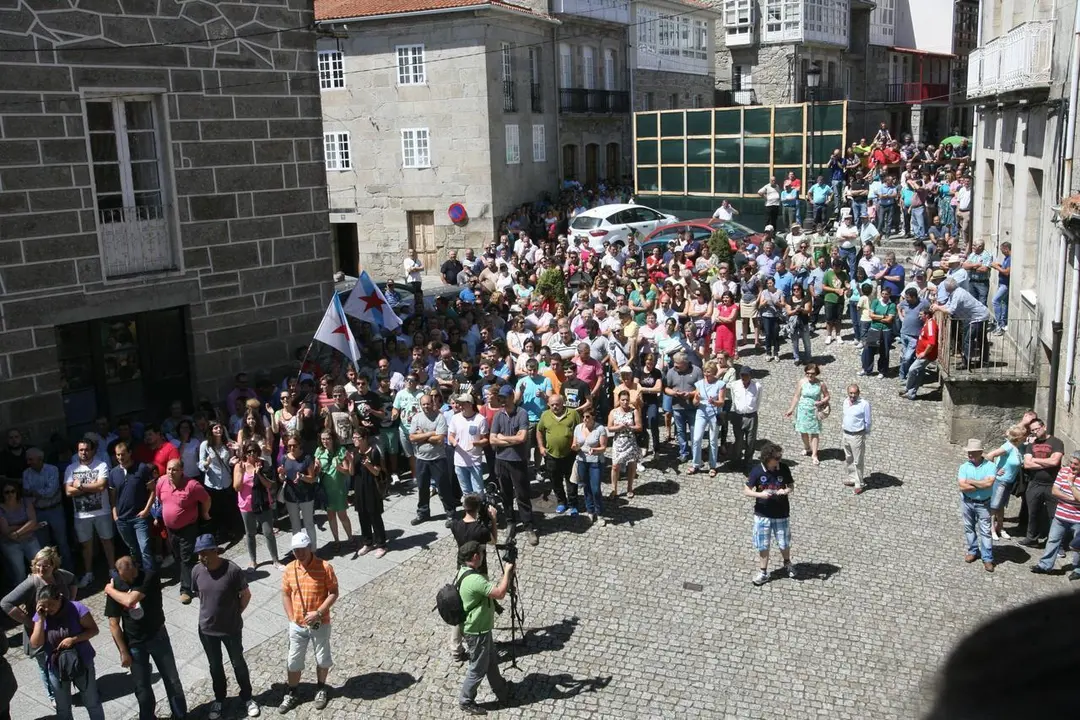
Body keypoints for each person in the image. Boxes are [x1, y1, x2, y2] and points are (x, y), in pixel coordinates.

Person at [103, 556, 187, 720]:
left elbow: (130, 600)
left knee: (172, 680)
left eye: (131, 575)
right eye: (125, 578)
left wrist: (110, 590)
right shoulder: (118, 582)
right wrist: (123, 651)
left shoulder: (149, 576)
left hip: (157, 635)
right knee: (142, 687)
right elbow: (113, 623)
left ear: (136, 567)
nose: (129, 580)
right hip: (134, 643)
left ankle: (180, 715)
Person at [191, 536, 260, 718]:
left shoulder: (233, 570)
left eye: (204, 553)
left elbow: (245, 595)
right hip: (206, 629)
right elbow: (200, 595)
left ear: (215, 551)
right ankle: (219, 699)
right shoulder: (197, 571)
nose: (200, 557)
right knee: (215, 666)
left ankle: (247, 697)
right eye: (199, 554)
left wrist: (236, 613)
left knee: (238, 663)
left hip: (231, 629)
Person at [1, 546, 76, 707]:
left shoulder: (60, 576)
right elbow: (5, 603)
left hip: (59, 630)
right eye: (37, 565)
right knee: (45, 665)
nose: (41, 569)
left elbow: (73, 580)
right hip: (40, 634)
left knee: (61, 660)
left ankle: (63, 688)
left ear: (53, 565)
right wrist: (30, 622)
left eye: (45, 565)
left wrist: (72, 604)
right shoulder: (32, 583)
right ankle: (53, 695)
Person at [279, 530, 338, 714]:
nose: (299, 553)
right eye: (296, 550)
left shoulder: (325, 567)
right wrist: (291, 617)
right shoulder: (289, 569)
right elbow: (285, 593)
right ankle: (292, 692)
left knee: (322, 657)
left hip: (320, 622)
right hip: (297, 624)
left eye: (302, 549)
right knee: (293, 660)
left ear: (310, 548)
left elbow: (334, 592)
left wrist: (319, 612)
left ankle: (321, 688)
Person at [455, 540, 514, 715]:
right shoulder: (474, 579)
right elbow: (500, 593)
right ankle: (466, 700)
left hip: (480, 628)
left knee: (491, 661)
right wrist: (507, 572)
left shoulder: (464, 572)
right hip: (477, 631)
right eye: (481, 554)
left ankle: (501, 690)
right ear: (475, 556)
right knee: (478, 668)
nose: (482, 557)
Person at [30, 584, 104, 720]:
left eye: (51, 604)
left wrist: (74, 639)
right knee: (62, 707)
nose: (48, 609)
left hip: (82, 661)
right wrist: (40, 619)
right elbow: (35, 643)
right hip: (56, 666)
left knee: (91, 701)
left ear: (60, 598)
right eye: (44, 605)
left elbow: (93, 630)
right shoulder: (41, 615)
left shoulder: (76, 608)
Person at [448, 495, 498, 662]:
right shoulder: (480, 529)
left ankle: (456, 648)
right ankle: (481, 638)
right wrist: (493, 519)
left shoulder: (455, 526)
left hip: (461, 570)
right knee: (478, 606)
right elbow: (494, 541)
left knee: (460, 607)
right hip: (478, 571)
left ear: (464, 507)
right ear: (478, 509)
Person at [156, 458, 210, 604]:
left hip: (188, 527)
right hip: (170, 529)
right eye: (168, 469)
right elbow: (160, 500)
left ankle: (185, 590)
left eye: (174, 469)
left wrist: (204, 513)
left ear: (181, 471)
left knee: (185, 557)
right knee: (179, 557)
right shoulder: (161, 482)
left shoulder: (192, 485)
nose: (170, 472)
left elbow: (206, 499)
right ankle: (196, 576)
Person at [65, 437, 115, 588]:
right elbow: (68, 491)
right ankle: (88, 573)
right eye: (81, 450)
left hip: (102, 511)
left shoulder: (101, 465)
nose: (84, 453)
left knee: (107, 541)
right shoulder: (71, 469)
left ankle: (112, 570)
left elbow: (101, 486)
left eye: (87, 449)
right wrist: (87, 487)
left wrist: (79, 486)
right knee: (86, 545)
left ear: (93, 450)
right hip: (81, 514)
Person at [490, 387, 537, 546]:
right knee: (506, 494)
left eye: (504, 397)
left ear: (511, 396)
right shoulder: (498, 415)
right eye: (500, 398)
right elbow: (492, 440)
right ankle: (511, 523)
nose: (502, 400)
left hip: (518, 461)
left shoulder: (522, 413)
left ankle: (528, 526)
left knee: (522, 494)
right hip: (501, 460)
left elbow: (522, 438)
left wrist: (503, 438)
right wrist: (511, 440)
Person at [744, 442, 796, 586]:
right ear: (768, 459)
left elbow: (791, 486)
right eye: (777, 458)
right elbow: (746, 490)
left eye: (780, 457)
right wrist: (760, 494)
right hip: (762, 514)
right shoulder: (757, 472)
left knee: (784, 542)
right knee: (763, 544)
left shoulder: (784, 469)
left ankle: (787, 563)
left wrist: (785, 491)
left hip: (781, 513)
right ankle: (763, 572)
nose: (779, 460)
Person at [1030, 451, 1080, 580]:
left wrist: (1071, 484)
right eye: (1071, 463)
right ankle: (1045, 565)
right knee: (1052, 540)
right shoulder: (1063, 471)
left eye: (1076, 464)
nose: (1072, 466)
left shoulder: (1070, 478)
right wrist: (1072, 497)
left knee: (1077, 547)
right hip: (1061, 515)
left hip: (1077, 518)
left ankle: (1078, 569)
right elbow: (1055, 491)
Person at [232, 441, 281, 572]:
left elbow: (270, 485)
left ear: (258, 452)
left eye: (254, 451)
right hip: (246, 505)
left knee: (268, 532)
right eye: (249, 452)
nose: (252, 454)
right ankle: (253, 561)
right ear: (245, 453)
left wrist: (259, 474)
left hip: (263, 503)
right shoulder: (239, 466)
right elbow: (237, 487)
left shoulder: (264, 464)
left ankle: (275, 560)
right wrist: (242, 473)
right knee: (250, 534)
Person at [21, 448, 72, 571]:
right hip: (38, 512)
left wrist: (36, 493)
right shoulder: (26, 473)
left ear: (40, 459)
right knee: (44, 546)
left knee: (62, 542)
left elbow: (51, 491)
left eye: (30, 459)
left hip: (55, 510)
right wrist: (40, 492)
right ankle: (51, 572)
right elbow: (26, 492)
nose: (28, 462)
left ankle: (69, 571)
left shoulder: (52, 470)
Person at [109, 442, 156, 574]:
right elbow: (112, 497)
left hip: (139, 517)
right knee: (133, 549)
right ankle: (138, 574)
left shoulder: (142, 468)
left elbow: (153, 490)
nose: (120, 457)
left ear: (130, 453)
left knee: (145, 548)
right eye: (118, 455)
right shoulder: (113, 473)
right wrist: (115, 515)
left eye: (123, 454)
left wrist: (147, 510)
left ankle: (150, 576)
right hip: (122, 519)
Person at [1018, 418, 1065, 548]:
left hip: (1052, 484)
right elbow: (1027, 464)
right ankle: (1032, 538)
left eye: (1036, 429)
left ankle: (1056, 544)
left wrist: (1036, 460)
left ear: (1043, 427)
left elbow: (1055, 462)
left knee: (1054, 515)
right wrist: (1046, 462)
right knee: (1032, 512)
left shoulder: (1056, 442)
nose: (1034, 432)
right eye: (1032, 431)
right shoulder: (1031, 445)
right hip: (1035, 483)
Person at [409, 392, 453, 526]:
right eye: (423, 404)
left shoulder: (439, 418)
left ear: (433, 403)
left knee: (443, 487)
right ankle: (423, 512)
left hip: (438, 459)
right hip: (421, 459)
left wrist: (422, 436)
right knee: (422, 487)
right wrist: (430, 434)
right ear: (420, 405)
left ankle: (450, 513)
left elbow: (440, 439)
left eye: (428, 403)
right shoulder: (416, 418)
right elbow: (412, 438)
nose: (426, 406)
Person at [536, 393, 581, 515]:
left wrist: (577, 444)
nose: (555, 407)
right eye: (552, 405)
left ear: (563, 403)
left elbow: (580, 429)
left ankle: (573, 504)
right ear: (548, 405)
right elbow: (539, 431)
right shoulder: (545, 415)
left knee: (571, 480)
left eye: (557, 404)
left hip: (570, 454)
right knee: (555, 480)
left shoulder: (573, 414)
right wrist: (541, 447)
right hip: (551, 455)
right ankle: (561, 502)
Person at [346, 428, 388, 558]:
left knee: (374, 516)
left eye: (357, 438)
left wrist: (368, 465)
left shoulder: (374, 452)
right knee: (362, 516)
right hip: (359, 488)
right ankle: (368, 542)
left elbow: (377, 472)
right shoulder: (355, 452)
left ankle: (381, 544)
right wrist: (351, 461)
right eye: (353, 438)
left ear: (364, 439)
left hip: (372, 488)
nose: (354, 440)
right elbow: (351, 473)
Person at [956, 439, 997, 572]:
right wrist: (979, 485)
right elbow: (962, 486)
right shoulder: (964, 467)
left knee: (985, 531)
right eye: (969, 453)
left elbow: (988, 484)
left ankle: (988, 558)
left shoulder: (990, 466)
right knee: (969, 527)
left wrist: (971, 481)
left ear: (980, 452)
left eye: (972, 453)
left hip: (983, 504)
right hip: (967, 501)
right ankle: (973, 550)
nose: (970, 455)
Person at [783, 363, 829, 466]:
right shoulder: (802, 382)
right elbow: (796, 396)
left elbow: (827, 396)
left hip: (814, 411)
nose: (809, 376)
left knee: (814, 432)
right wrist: (791, 409)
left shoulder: (820, 384)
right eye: (807, 373)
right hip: (802, 410)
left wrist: (821, 402)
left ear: (816, 373)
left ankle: (814, 454)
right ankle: (807, 447)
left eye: (812, 373)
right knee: (803, 432)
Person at [984, 424, 1025, 540]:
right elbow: (990, 455)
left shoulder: (1018, 447)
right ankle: (991, 528)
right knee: (994, 506)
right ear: (1018, 438)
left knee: (1001, 506)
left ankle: (1000, 527)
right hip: (1000, 481)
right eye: (1023, 436)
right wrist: (995, 470)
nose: (1025, 437)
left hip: (1008, 482)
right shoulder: (1008, 447)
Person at [314, 431, 352, 552]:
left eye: (327, 439)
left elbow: (347, 472)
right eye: (323, 439)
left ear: (333, 439)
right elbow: (315, 471)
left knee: (342, 515)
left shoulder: (340, 451)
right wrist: (316, 469)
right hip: (326, 489)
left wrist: (339, 468)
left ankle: (350, 538)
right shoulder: (319, 451)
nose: (325, 441)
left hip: (338, 488)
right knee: (330, 516)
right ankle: (336, 540)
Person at [278, 434, 318, 550]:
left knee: (309, 524)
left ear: (299, 445)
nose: (291, 448)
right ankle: (299, 551)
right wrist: (281, 474)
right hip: (291, 495)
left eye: (294, 445)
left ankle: (313, 551)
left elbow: (312, 479)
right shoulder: (284, 458)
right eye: (289, 445)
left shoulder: (307, 458)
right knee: (295, 526)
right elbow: (282, 479)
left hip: (306, 495)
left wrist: (302, 476)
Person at [689, 361, 726, 476]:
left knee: (713, 440)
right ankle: (696, 463)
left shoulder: (720, 384)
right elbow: (694, 403)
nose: (706, 374)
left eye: (708, 372)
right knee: (696, 439)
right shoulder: (699, 384)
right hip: (701, 413)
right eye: (705, 372)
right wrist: (697, 399)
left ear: (714, 373)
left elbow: (722, 402)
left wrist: (714, 402)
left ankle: (713, 465)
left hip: (714, 414)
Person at [572, 408, 608, 526]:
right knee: (586, 487)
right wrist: (575, 447)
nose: (585, 419)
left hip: (595, 462)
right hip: (582, 461)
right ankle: (590, 510)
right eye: (584, 417)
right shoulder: (578, 428)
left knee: (596, 489)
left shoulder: (600, 429)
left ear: (593, 417)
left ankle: (600, 512)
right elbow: (574, 443)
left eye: (587, 417)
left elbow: (603, 447)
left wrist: (595, 449)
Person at [448, 394, 489, 498]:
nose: (460, 406)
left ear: (470, 404)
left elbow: (485, 439)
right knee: (466, 491)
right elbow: (451, 436)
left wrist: (477, 443)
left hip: (474, 461)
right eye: (459, 403)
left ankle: (481, 511)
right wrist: (454, 442)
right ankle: (470, 512)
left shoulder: (480, 419)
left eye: (462, 403)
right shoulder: (455, 418)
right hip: (459, 461)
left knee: (478, 491)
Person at [0, 480, 41, 583]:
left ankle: (44, 591)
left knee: (40, 566)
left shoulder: (25, 502)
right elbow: (6, 530)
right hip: (10, 544)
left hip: (29, 540)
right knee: (19, 573)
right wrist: (28, 526)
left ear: (17, 492)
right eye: (7, 492)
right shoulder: (1, 508)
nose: (10, 494)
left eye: (12, 491)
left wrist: (17, 532)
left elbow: (33, 520)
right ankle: (23, 597)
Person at [608, 389, 642, 499]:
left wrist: (629, 426)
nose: (625, 402)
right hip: (618, 441)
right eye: (623, 400)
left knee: (631, 465)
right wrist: (619, 427)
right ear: (619, 400)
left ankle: (630, 488)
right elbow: (609, 428)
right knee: (615, 466)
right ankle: (614, 489)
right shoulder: (613, 412)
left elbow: (639, 427)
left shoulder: (634, 411)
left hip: (630, 441)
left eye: (627, 400)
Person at [840, 384, 872, 494]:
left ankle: (859, 483)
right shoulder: (845, 402)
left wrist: (864, 434)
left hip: (857, 435)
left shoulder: (864, 404)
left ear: (859, 393)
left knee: (858, 460)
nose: (852, 395)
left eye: (855, 393)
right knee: (848, 457)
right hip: (846, 434)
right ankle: (852, 477)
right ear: (847, 392)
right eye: (851, 393)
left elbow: (868, 421)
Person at [729, 366, 762, 469]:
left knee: (750, 441)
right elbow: (733, 400)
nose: (744, 377)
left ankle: (748, 462)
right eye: (742, 375)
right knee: (738, 440)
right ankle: (736, 460)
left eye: (746, 375)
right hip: (738, 416)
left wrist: (752, 410)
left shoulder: (757, 386)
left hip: (751, 416)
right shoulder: (735, 385)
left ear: (750, 376)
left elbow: (758, 401)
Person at [859, 286, 896, 378]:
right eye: (882, 294)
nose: (884, 296)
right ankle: (866, 369)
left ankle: (882, 371)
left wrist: (877, 317)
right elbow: (871, 315)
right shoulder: (875, 302)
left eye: (886, 294)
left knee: (884, 351)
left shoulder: (891, 305)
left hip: (885, 331)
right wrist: (883, 317)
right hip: (874, 329)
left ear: (889, 295)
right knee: (869, 350)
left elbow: (889, 320)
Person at [903, 306, 939, 400]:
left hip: (925, 355)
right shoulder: (926, 323)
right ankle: (911, 393)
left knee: (912, 370)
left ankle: (907, 388)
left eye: (921, 314)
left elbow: (931, 343)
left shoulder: (931, 325)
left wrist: (924, 353)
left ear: (927, 315)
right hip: (920, 353)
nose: (919, 317)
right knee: (918, 373)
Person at [990, 241, 1011, 334]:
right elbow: (1005, 268)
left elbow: (1007, 272)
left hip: (1005, 285)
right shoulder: (1007, 258)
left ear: (1006, 249)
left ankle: (1000, 324)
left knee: (995, 301)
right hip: (1002, 283)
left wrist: (996, 267)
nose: (1001, 252)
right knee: (1003, 303)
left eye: (1002, 250)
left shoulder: (1010, 259)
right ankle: (1003, 322)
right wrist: (1000, 266)